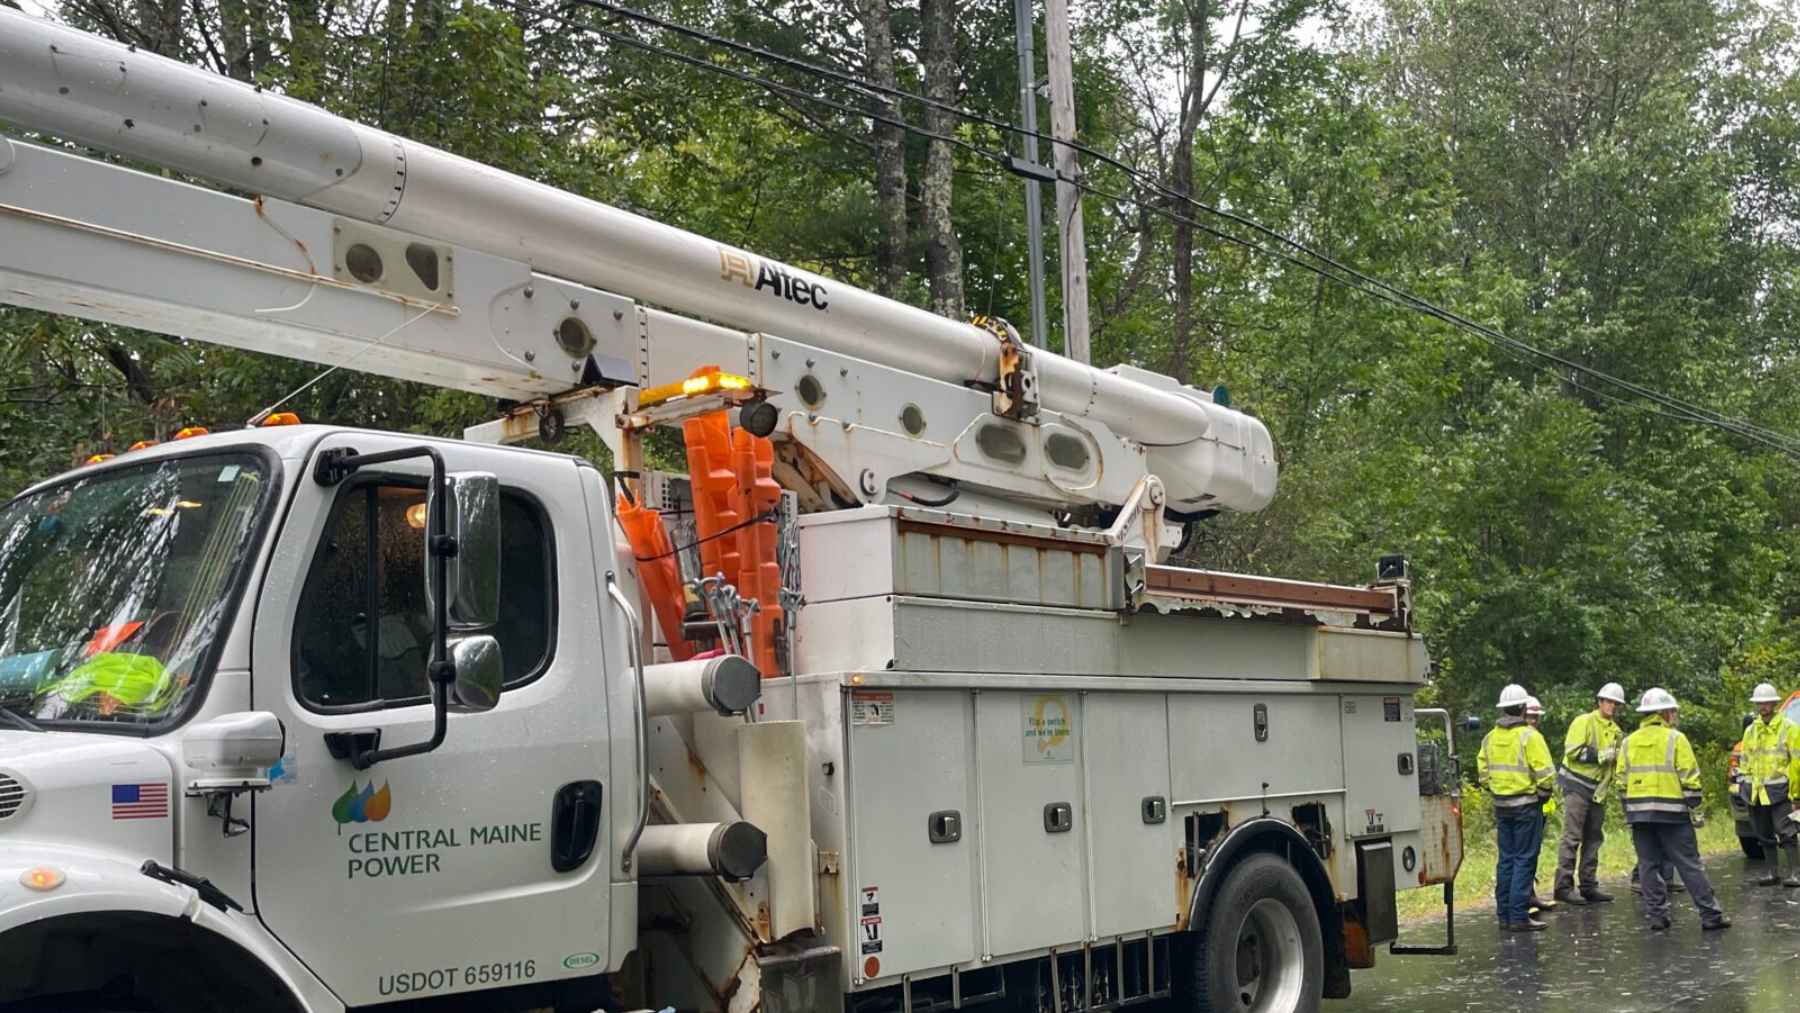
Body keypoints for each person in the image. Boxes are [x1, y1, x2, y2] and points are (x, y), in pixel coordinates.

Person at [1618, 688, 1729, 932]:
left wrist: (1630, 810)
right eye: (1672, 711)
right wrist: (1694, 806)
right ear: (1664, 713)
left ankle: (1657, 916)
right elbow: (1689, 778)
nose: (1674, 716)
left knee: (1648, 865)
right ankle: (1710, 915)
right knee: (1689, 864)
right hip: (1673, 815)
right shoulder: (1676, 739)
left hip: (1639, 815)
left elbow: (1621, 781)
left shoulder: (1628, 742)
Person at [1478, 683, 1556, 932]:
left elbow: (1482, 773)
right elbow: (1545, 775)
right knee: (1524, 860)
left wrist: (1496, 790)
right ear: (1523, 708)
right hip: (1526, 807)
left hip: (1502, 807)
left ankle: (1504, 916)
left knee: (1506, 860)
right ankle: (1519, 916)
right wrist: (1543, 796)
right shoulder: (1530, 737)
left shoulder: (1490, 737)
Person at [1553, 682, 1625, 905]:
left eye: (1616, 703)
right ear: (1600, 701)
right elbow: (1572, 751)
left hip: (1597, 791)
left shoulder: (1616, 732)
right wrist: (1603, 755)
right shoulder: (1583, 721)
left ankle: (1588, 886)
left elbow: (1615, 765)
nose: (1612, 706)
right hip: (1577, 786)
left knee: (1594, 839)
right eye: (1609, 701)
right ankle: (1563, 887)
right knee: (1572, 837)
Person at [1737, 682, 1800, 887]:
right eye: (1759, 703)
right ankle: (1772, 873)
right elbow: (1744, 760)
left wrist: (1796, 795)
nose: (1762, 706)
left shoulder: (1789, 728)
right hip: (1755, 791)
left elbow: (1797, 763)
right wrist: (1743, 785)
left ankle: (1795, 873)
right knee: (1763, 833)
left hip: (1780, 790)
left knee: (1786, 831)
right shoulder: (1751, 731)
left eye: (1766, 703)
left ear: (1774, 703)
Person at [1524, 696, 1558, 913]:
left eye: (1536, 717)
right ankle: (1523, 899)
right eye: (1530, 716)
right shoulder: (1525, 738)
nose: (1534, 720)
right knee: (1522, 855)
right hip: (1526, 803)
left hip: (1537, 804)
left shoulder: (1536, 737)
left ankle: (1530, 895)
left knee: (1531, 852)